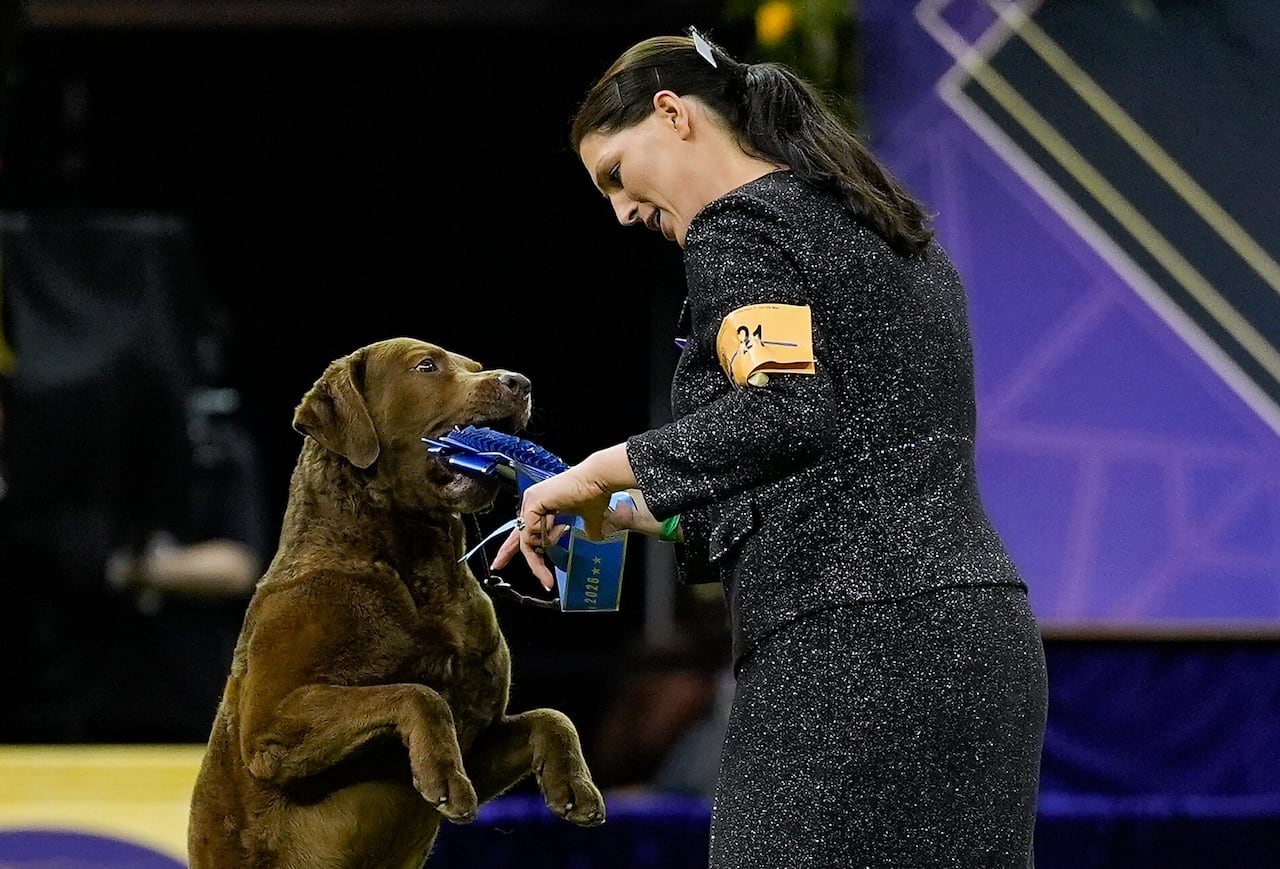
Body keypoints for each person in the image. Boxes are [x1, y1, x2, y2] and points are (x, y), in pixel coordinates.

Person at [492, 27, 1048, 868]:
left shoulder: (741, 224)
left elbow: (786, 413)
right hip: (978, 639)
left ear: (673, 114)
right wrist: (614, 507)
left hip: (851, 654)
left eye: (615, 175)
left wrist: (601, 466)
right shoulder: (883, 226)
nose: (621, 212)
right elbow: (805, 463)